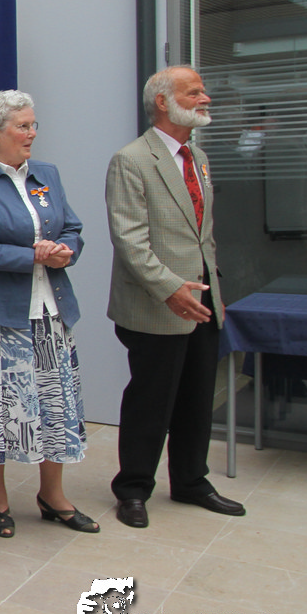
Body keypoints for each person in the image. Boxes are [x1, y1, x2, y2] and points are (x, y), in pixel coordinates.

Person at [0, 90, 96, 538]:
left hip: (51, 311)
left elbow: (73, 226)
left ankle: (53, 495)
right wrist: (32, 255)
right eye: (23, 126)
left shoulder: (46, 173)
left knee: (54, 403)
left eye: (33, 125)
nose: (32, 133)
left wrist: (65, 249)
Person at [107, 66, 246, 528]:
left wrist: (213, 290)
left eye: (203, 91)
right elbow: (130, 241)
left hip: (202, 300)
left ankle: (190, 481)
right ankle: (133, 489)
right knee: (150, 401)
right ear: (163, 102)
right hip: (155, 304)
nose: (205, 98)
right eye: (194, 92)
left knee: (197, 398)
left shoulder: (198, 157)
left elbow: (203, 235)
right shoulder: (131, 160)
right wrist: (170, 289)